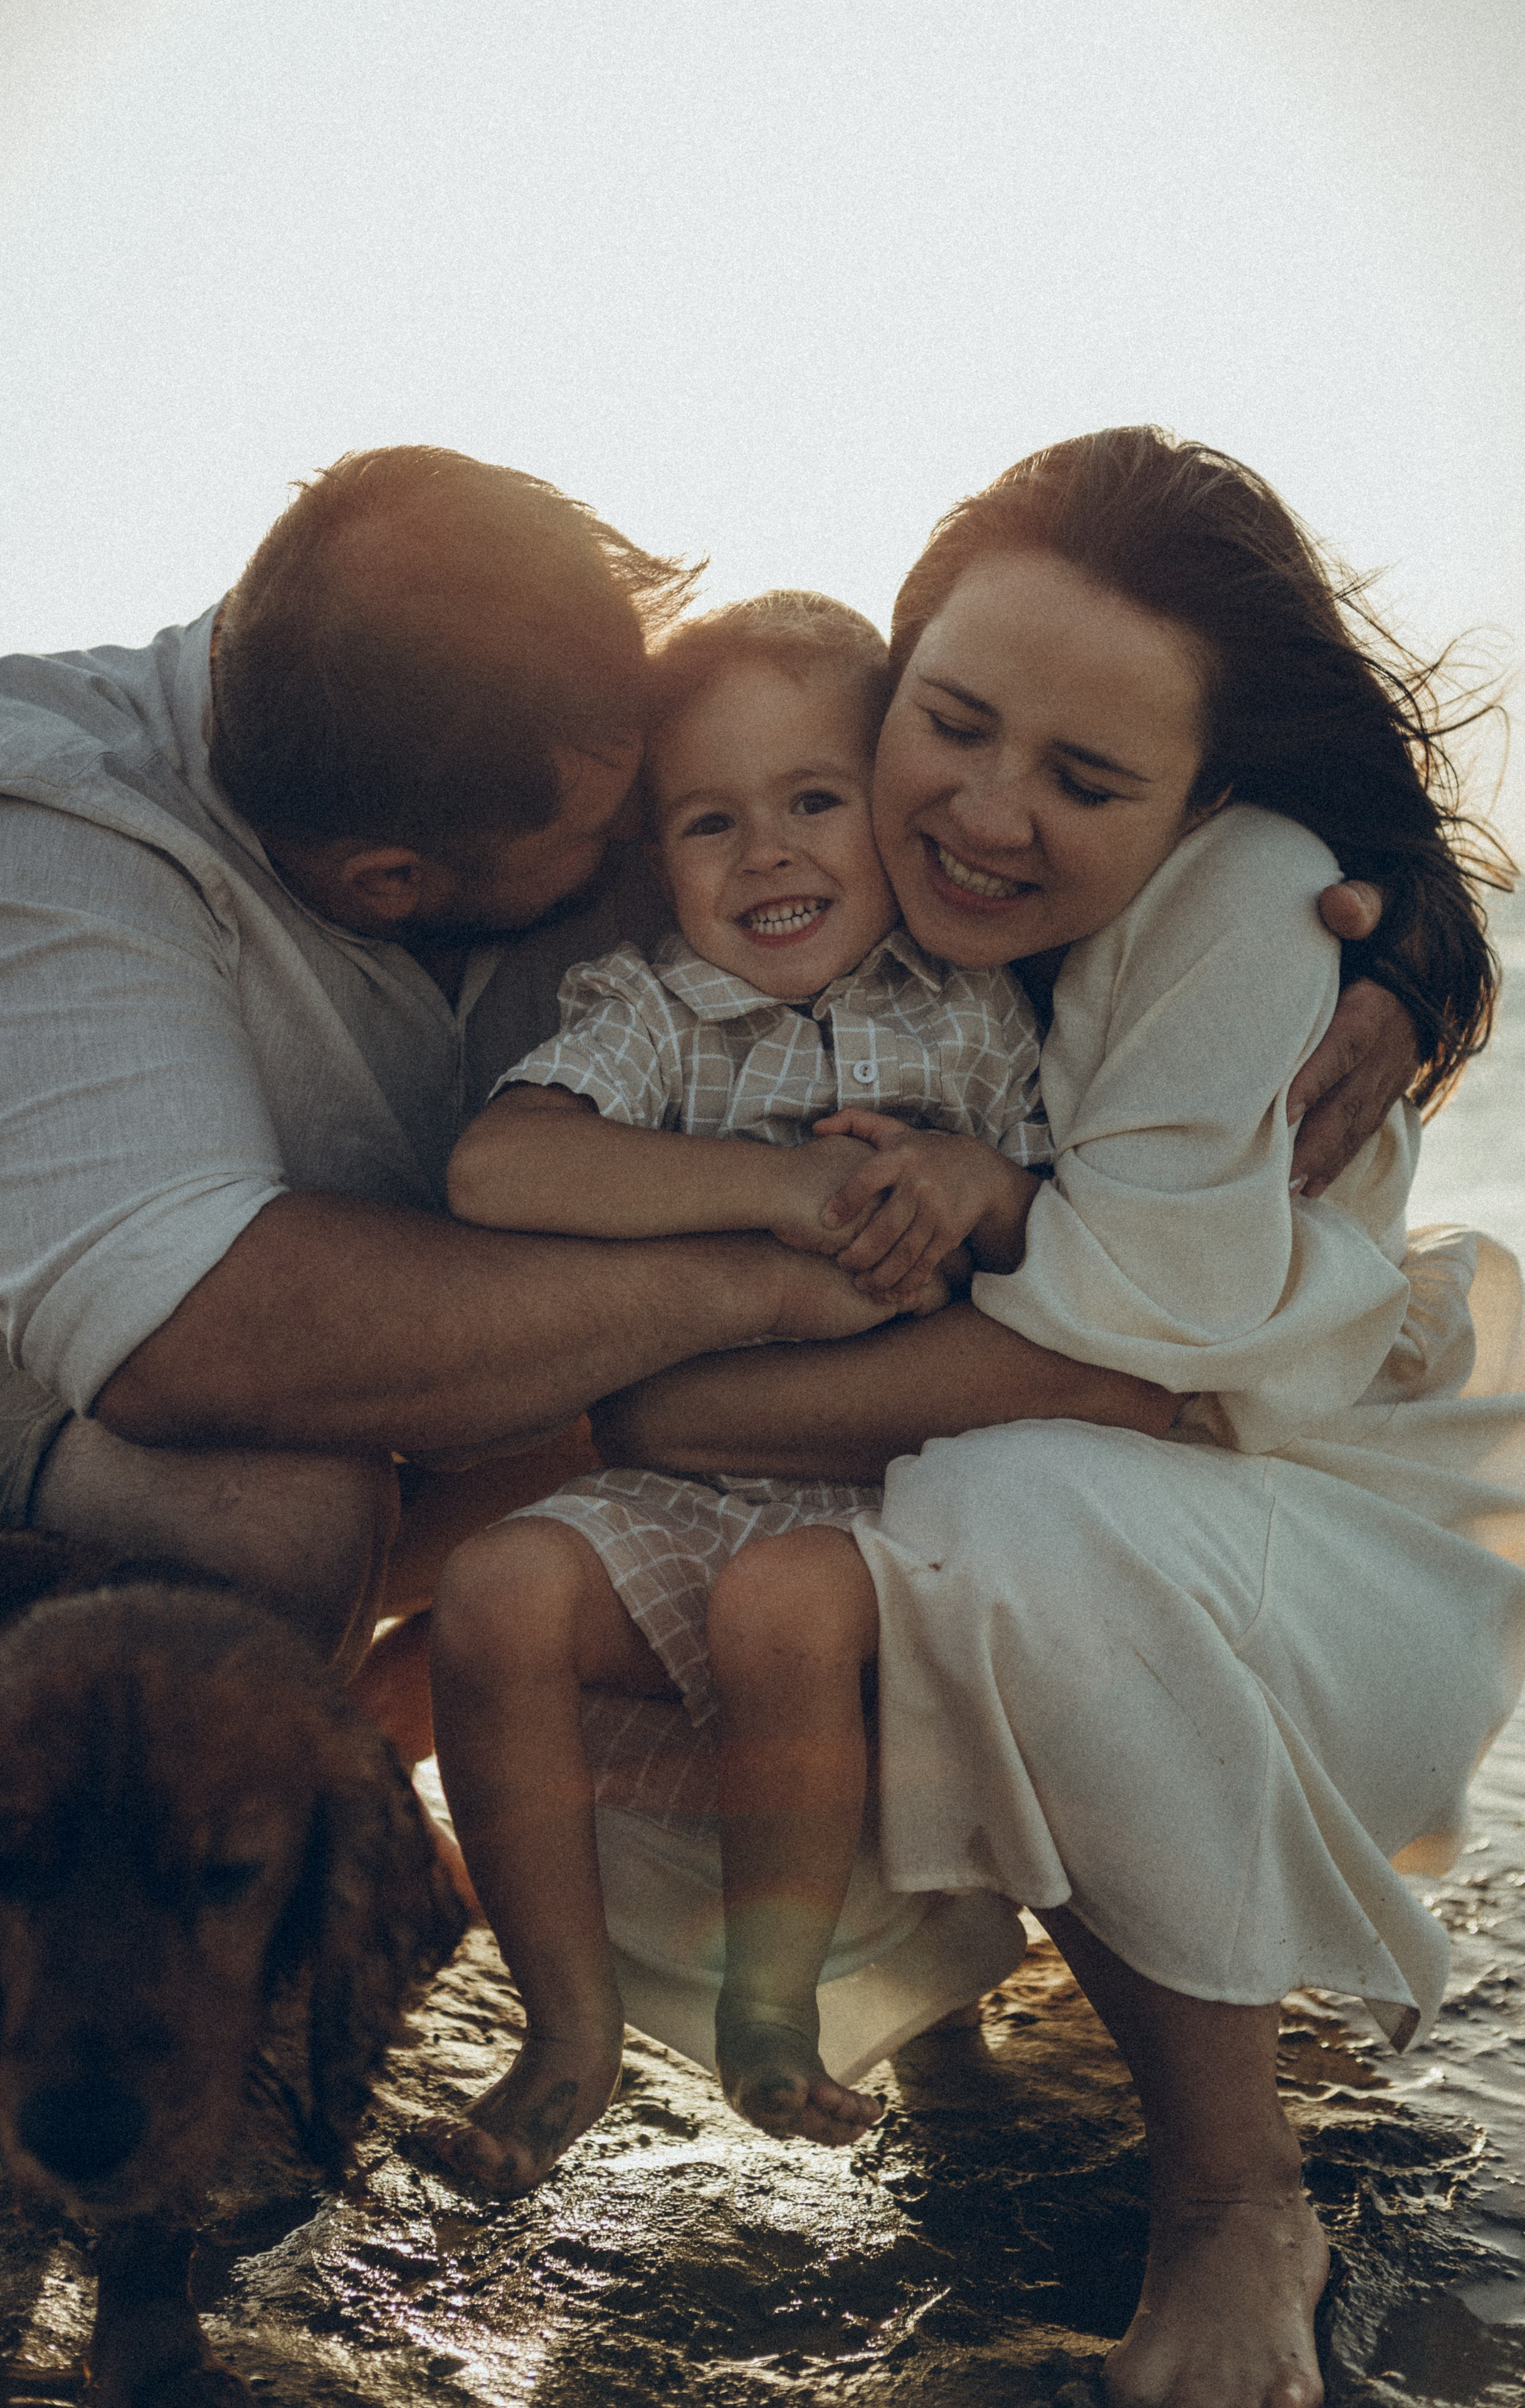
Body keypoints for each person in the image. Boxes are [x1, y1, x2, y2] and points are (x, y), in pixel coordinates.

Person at [586, 426, 1524, 2408]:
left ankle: (1238, 2199)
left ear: (1207, 793)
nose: (986, 813)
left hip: (1299, 1539)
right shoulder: (831, 848)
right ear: (891, 671)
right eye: (956, 721)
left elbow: (1113, 1360)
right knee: (745, 1573)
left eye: (1086, 781)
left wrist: (671, 1394)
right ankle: (966, 2002)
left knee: (1005, 1512)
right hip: (1117, 1490)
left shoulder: (1265, 900)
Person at [0, 443, 1414, 1675]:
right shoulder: (48, 824)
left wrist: (1411, 952)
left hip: (453, 1306)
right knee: (281, 1518)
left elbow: (1101, 740)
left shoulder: (563, 736)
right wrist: (763, 1271)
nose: (678, 836)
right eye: (620, 829)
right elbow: (194, 1338)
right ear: (391, 883)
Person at [428, 588, 1142, 2190]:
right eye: (710, 822)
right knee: (490, 1593)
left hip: (899, 1507)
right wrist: (761, 1198)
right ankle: (566, 2031)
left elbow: (1087, 1245)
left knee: (781, 1610)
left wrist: (972, 1185)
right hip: (675, 1494)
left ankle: (772, 2011)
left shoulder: (978, 1017)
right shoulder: (649, 1015)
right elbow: (501, 1163)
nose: (766, 856)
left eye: (812, 802)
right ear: (655, 858)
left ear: (890, 814)